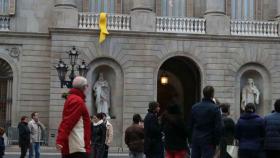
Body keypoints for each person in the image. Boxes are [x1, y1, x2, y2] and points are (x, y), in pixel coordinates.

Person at [56, 76, 91, 158]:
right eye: (87, 85)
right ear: (84, 87)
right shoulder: (77, 101)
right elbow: (68, 122)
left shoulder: (73, 98)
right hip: (77, 147)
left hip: (75, 146)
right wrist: (60, 140)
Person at [190, 86, 222, 158]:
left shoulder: (194, 107)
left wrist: (190, 139)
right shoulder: (215, 108)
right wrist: (217, 142)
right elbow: (218, 127)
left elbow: (190, 125)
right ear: (212, 94)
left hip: (196, 138)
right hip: (209, 140)